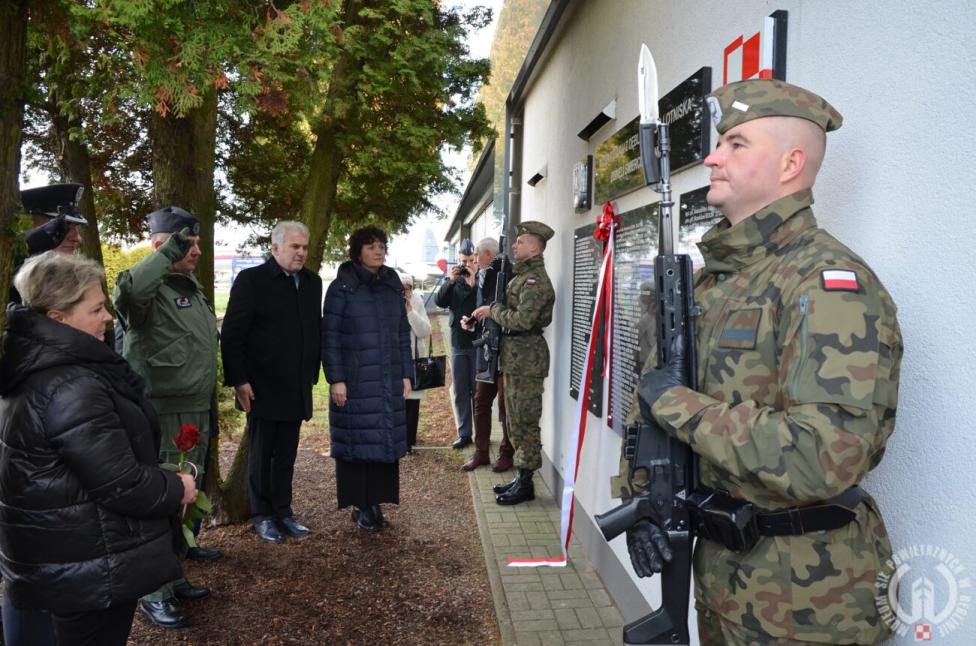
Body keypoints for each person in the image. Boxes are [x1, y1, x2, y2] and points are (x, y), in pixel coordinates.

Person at [613, 79, 903, 645]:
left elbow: (826, 456)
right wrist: (645, 499)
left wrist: (678, 405)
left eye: (736, 144)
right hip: (721, 579)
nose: (712, 157)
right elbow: (647, 400)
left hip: (809, 603)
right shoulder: (711, 282)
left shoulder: (826, 284)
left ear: (791, 163)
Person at [0, 252, 197, 646]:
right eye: (96, 309)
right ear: (58, 318)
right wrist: (178, 488)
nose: (108, 317)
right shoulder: (71, 385)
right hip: (85, 570)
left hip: (52, 558)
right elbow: (121, 483)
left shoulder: (29, 366)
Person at [113, 206, 220, 629]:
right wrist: (164, 251)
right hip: (162, 411)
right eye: (185, 243)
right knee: (160, 501)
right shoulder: (146, 290)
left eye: (196, 242)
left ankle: (172, 575)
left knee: (186, 500)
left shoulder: (189, 287)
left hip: (195, 407)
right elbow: (127, 293)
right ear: (161, 246)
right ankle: (152, 592)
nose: (196, 250)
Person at [220, 221, 322, 544]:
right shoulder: (252, 281)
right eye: (295, 247)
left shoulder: (311, 282)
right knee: (261, 454)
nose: (301, 253)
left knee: (287, 454)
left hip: (296, 385)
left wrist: (311, 373)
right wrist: (239, 380)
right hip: (261, 386)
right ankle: (261, 514)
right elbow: (232, 335)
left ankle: (283, 511)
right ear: (275, 248)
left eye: (304, 247)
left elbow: (312, 330)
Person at [321, 226, 412, 533]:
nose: (378, 251)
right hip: (356, 380)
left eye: (382, 246)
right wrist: (336, 379)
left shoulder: (390, 284)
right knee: (357, 442)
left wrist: (406, 374)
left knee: (383, 441)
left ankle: (377, 502)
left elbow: (402, 333)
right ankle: (361, 506)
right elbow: (330, 337)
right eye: (371, 246)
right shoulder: (342, 287)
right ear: (357, 251)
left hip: (387, 378)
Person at [471, 222, 556, 505]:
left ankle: (527, 482)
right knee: (514, 420)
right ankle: (522, 476)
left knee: (525, 420)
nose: (515, 246)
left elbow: (522, 320)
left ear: (534, 247)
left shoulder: (535, 281)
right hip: (515, 357)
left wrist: (493, 310)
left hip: (527, 359)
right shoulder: (521, 277)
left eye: (521, 242)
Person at [459, 237, 514, 472]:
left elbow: (509, 310)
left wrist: (489, 311)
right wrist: (472, 323)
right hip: (486, 351)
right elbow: (484, 311)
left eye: (477, 255)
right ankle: (481, 453)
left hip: (507, 351)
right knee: (480, 402)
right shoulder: (481, 275)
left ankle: (507, 453)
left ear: (490, 255)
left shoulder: (507, 275)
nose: (474, 260)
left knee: (505, 405)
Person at [434, 239, 478, 449]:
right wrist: (450, 281)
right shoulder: (455, 280)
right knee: (460, 390)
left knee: (478, 392)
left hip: (479, 343)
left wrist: (473, 284)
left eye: (470, 260)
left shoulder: (482, 280)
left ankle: (482, 434)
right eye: (463, 261)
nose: (466, 265)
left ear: (476, 259)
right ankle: (464, 433)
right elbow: (440, 302)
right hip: (459, 342)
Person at [398, 272, 432, 453]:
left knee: (412, 404)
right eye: (401, 290)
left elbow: (425, 331)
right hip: (394, 361)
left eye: (408, 289)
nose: (405, 294)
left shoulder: (416, 301)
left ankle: (408, 442)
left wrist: (410, 312)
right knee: (397, 402)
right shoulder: (388, 303)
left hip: (413, 359)